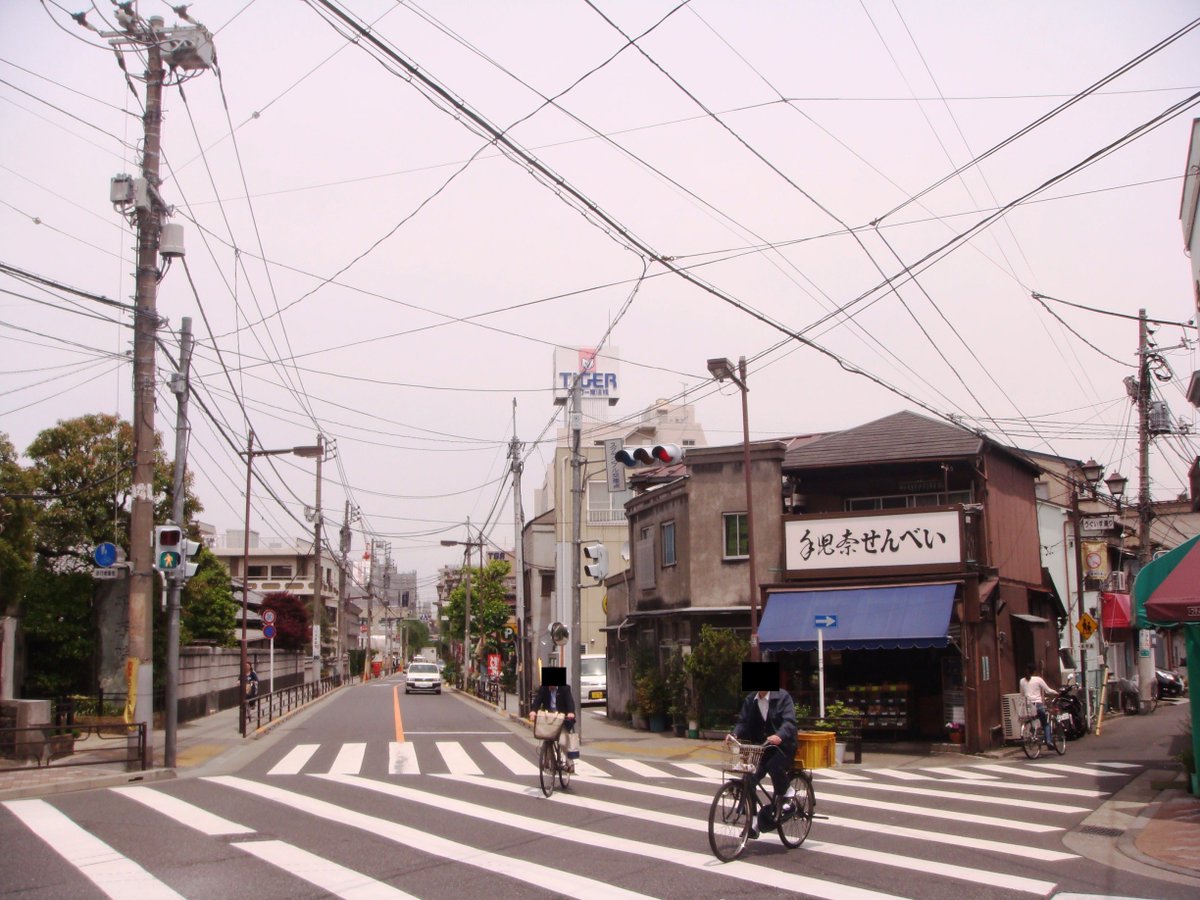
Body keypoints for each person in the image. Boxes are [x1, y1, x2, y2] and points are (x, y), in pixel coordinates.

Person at [732, 664, 798, 837]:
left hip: (783, 747)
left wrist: (779, 735)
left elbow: (789, 722)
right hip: (761, 748)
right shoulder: (750, 700)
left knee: (773, 765)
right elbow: (742, 721)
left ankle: (788, 792)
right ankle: (753, 821)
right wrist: (734, 734)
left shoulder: (782, 697)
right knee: (749, 778)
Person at [530, 669, 577, 772]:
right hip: (549, 718)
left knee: (563, 742)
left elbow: (570, 702)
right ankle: (547, 759)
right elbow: (538, 700)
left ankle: (570, 763)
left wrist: (570, 712)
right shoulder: (544, 689)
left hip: (562, 718)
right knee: (546, 736)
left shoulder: (564, 688)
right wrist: (533, 711)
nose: (549, 686)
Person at [1018, 662, 1058, 747]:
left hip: (1027, 706)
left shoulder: (1021, 681)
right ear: (1034, 671)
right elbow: (1048, 690)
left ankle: (1033, 735)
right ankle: (1048, 741)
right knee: (1045, 723)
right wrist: (1056, 693)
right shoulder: (1038, 679)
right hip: (1038, 705)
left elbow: (1022, 694)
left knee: (1031, 720)